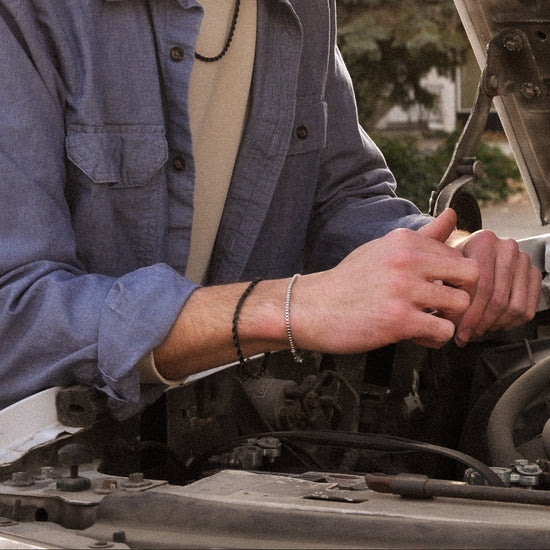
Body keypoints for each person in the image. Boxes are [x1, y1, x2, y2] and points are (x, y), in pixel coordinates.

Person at [0, 0, 541, 419]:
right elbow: (14, 315)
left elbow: (338, 198)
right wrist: (283, 309)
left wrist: (447, 259)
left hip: (230, 446)